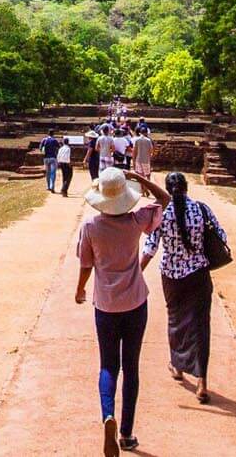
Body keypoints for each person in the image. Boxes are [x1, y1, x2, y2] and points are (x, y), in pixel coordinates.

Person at [76, 168, 170, 455]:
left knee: (108, 366)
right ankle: (127, 434)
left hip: (106, 304)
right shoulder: (135, 221)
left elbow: (86, 265)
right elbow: (165, 199)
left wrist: (80, 290)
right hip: (135, 302)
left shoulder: (91, 226)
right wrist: (138, 178)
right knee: (131, 367)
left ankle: (108, 415)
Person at [140, 172, 226, 404]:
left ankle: (178, 366)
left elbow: (150, 247)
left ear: (168, 190)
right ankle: (202, 381)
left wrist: (136, 273)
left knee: (176, 321)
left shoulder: (162, 212)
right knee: (200, 325)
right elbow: (221, 235)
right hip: (198, 274)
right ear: (187, 188)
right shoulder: (201, 209)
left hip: (172, 276)